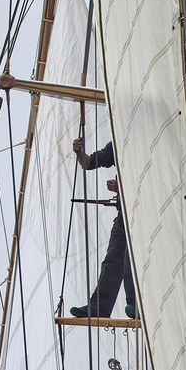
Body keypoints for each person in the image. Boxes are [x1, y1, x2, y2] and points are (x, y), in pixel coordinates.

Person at [69, 137, 137, 320]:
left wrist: (123, 189)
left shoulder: (156, 141)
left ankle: (137, 303)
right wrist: (79, 153)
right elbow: (89, 163)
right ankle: (99, 306)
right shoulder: (121, 140)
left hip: (146, 212)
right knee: (113, 259)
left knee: (131, 260)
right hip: (125, 214)